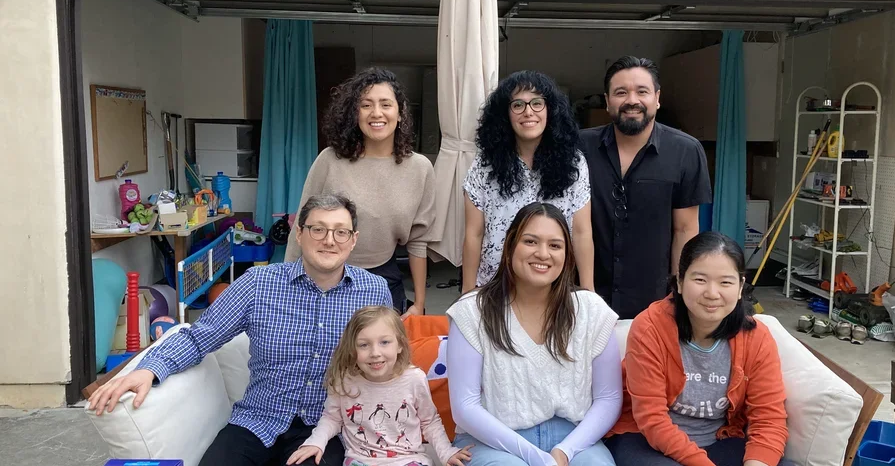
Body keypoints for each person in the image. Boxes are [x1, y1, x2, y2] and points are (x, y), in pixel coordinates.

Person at [89, 193, 394, 466]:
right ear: (299, 234)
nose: (329, 240)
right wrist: (151, 367)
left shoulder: (373, 291)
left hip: (327, 428)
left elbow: (387, 362)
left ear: (353, 239)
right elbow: (200, 336)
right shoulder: (259, 284)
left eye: (340, 231)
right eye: (318, 229)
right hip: (258, 419)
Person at [605, 231, 805, 466]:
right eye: (700, 279)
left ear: (740, 288)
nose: (712, 293)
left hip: (718, 440)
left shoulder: (757, 337)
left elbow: (769, 420)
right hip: (645, 441)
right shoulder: (650, 327)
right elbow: (652, 420)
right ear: (680, 281)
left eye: (725, 282)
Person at [447, 202, 630, 466]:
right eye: (530, 241)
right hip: (490, 441)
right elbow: (465, 408)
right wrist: (535, 458)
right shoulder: (472, 311)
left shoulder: (591, 311)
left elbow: (609, 399)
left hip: (573, 440)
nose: (543, 254)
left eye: (555, 245)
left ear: (567, 255)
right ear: (510, 247)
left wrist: (562, 453)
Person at [285, 67, 437, 319]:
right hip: (323, 275)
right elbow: (300, 228)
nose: (376, 113)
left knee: (378, 354)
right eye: (366, 105)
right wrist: (286, 287)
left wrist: (419, 303)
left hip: (383, 277)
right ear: (354, 114)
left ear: (400, 114)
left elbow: (419, 241)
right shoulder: (330, 160)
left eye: (386, 104)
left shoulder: (420, 169)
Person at [287, 306, 473, 466]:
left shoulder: (414, 378)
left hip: (407, 460)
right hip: (361, 461)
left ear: (400, 345)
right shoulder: (344, 380)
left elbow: (429, 421)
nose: (375, 353)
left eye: (385, 342)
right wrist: (316, 442)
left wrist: (446, 452)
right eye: (364, 345)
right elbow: (332, 418)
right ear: (352, 349)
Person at [580, 56, 711, 319]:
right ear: (607, 101)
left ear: (657, 98)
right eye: (621, 92)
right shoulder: (580, 148)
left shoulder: (686, 151)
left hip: (654, 301)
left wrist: (678, 297)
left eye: (642, 91)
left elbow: (685, 229)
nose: (632, 100)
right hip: (585, 298)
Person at [462, 71, 593, 294]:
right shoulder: (484, 165)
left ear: (551, 110)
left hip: (553, 286)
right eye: (518, 105)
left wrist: (588, 290)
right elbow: (474, 233)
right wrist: (467, 291)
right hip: (496, 286)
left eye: (537, 103)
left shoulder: (574, 163)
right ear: (506, 114)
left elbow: (581, 232)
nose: (528, 112)